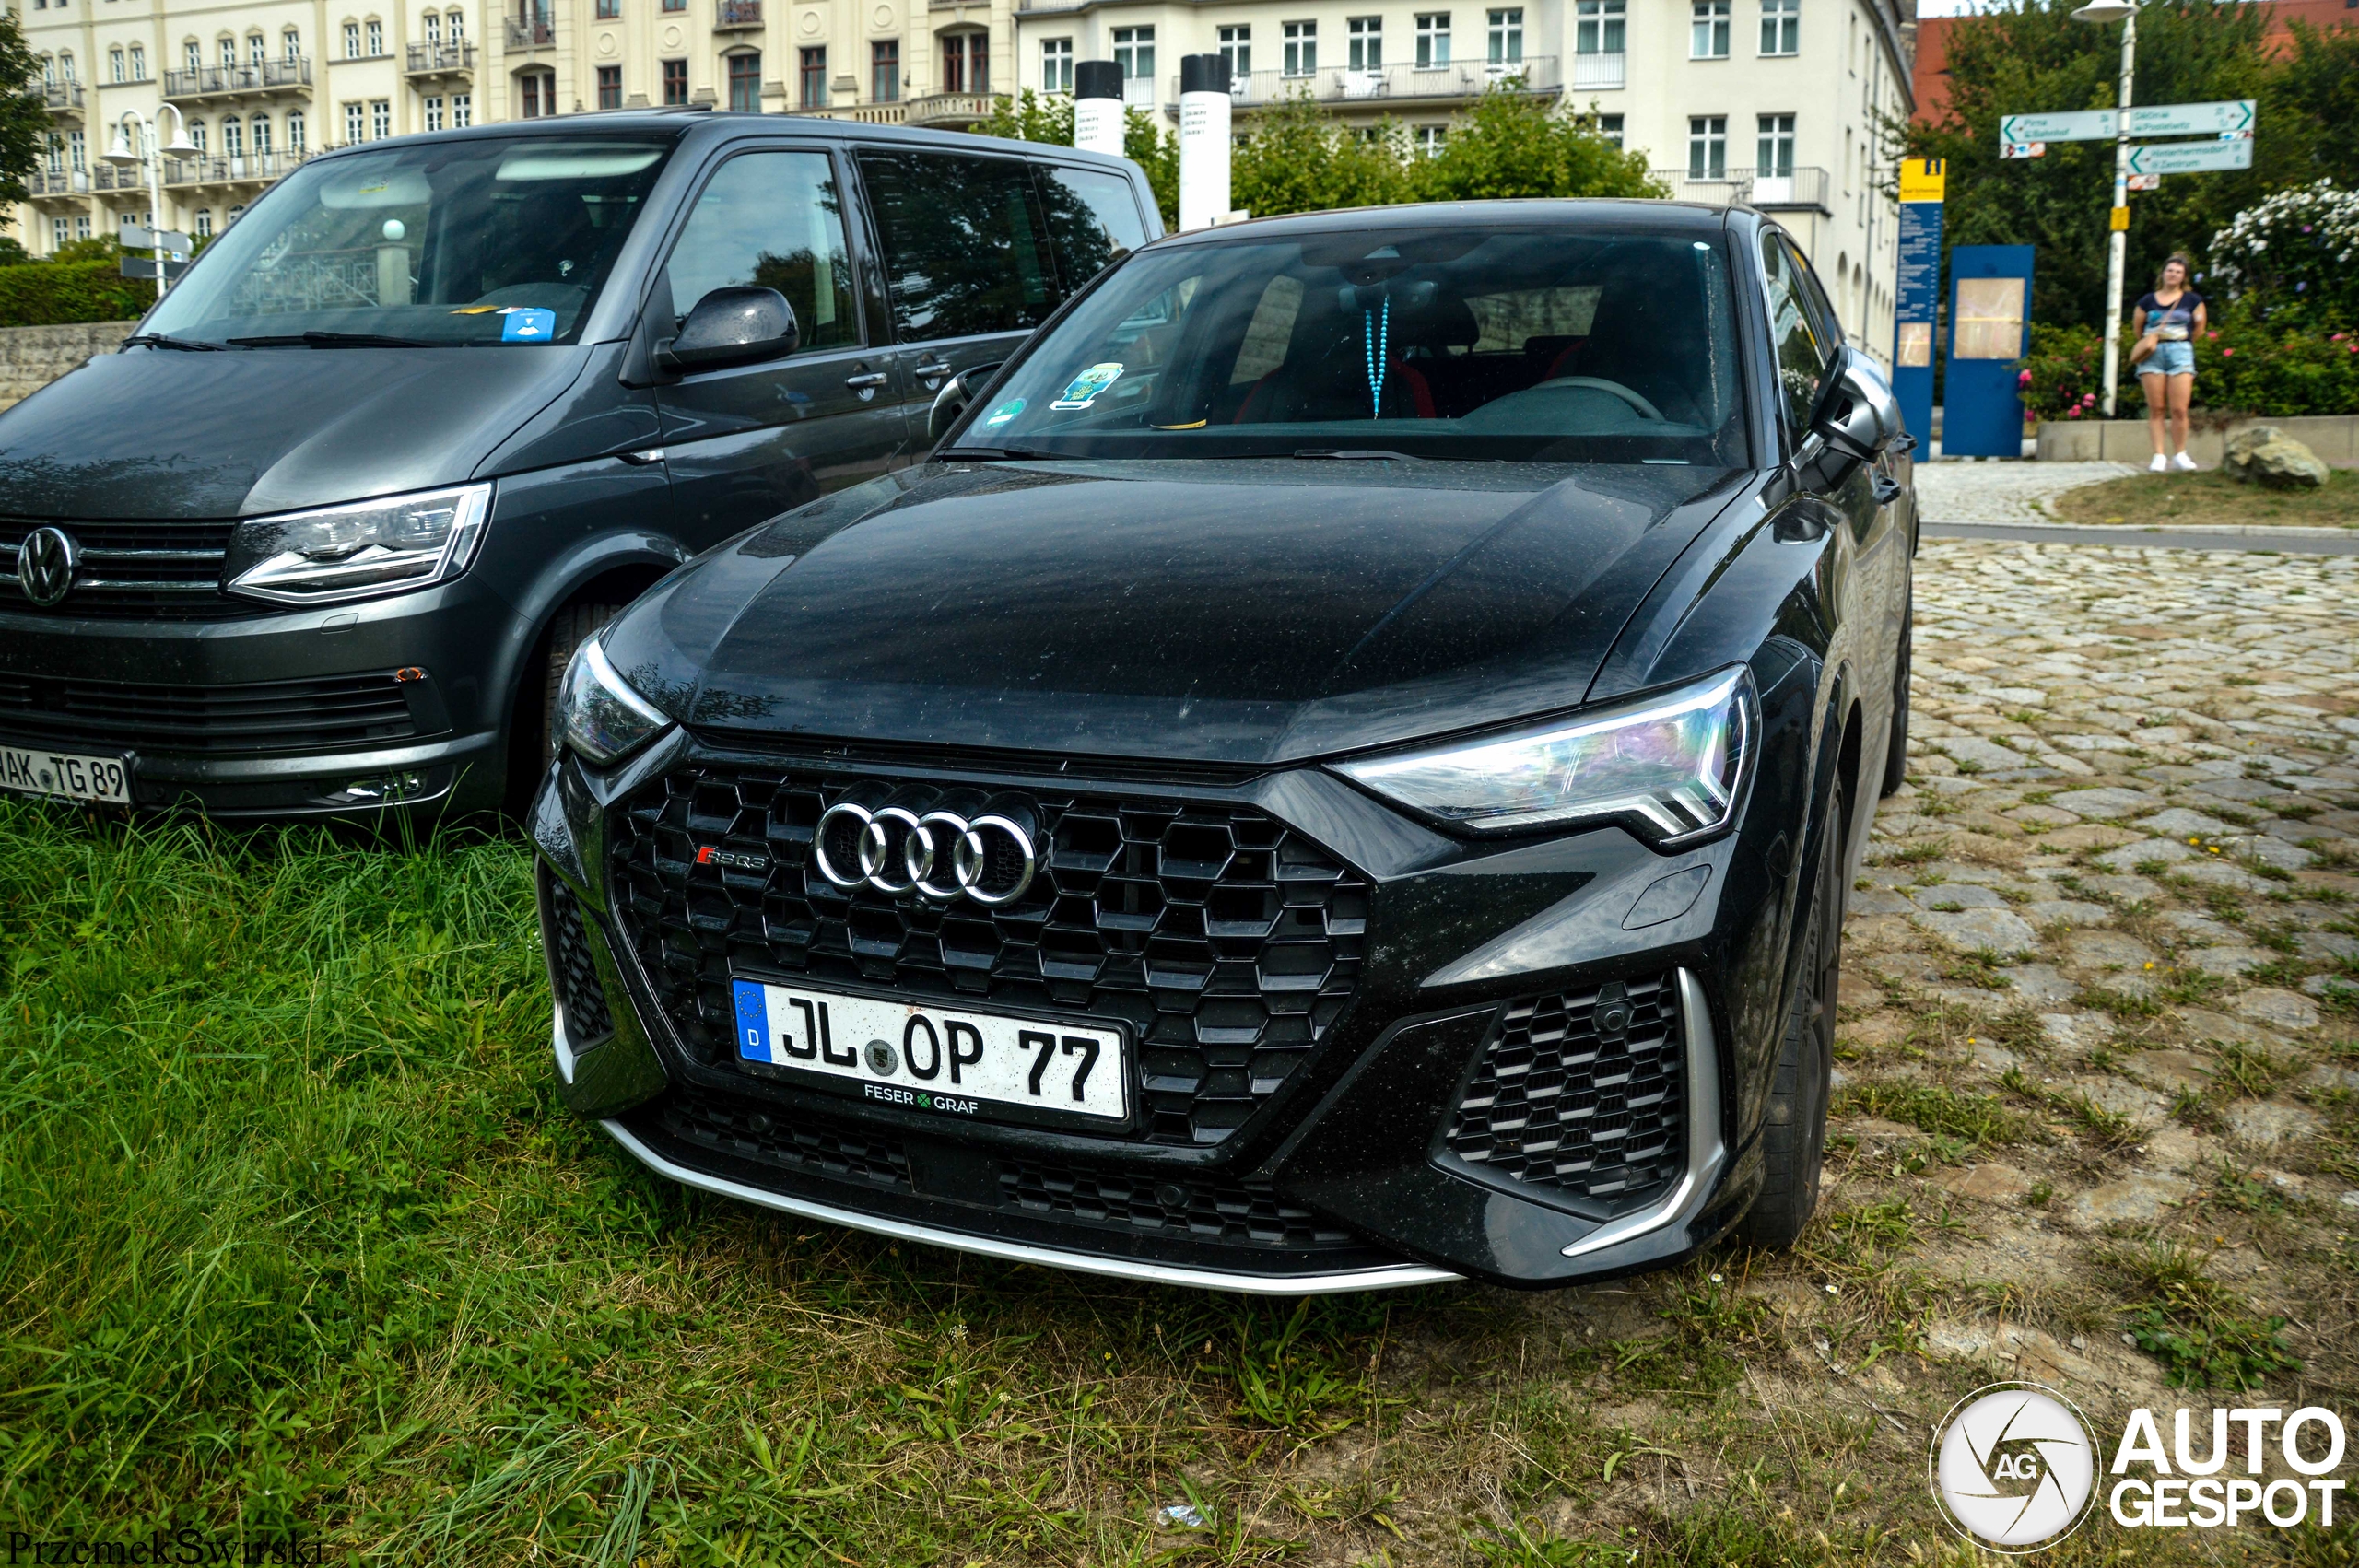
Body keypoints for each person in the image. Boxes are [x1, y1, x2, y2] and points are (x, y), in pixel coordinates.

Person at [2131, 253, 2205, 473]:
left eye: (2178, 272)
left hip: (2180, 350)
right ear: (2163, 273)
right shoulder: (2147, 301)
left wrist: (2181, 342)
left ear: (2184, 277)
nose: (2173, 274)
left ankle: (2180, 454)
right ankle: (2159, 455)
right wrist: (2150, 343)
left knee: (2179, 409)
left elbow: (2199, 328)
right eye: (2170, 270)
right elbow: (2138, 328)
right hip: (2153, 353)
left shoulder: (2192, 300)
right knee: (2157, 408)